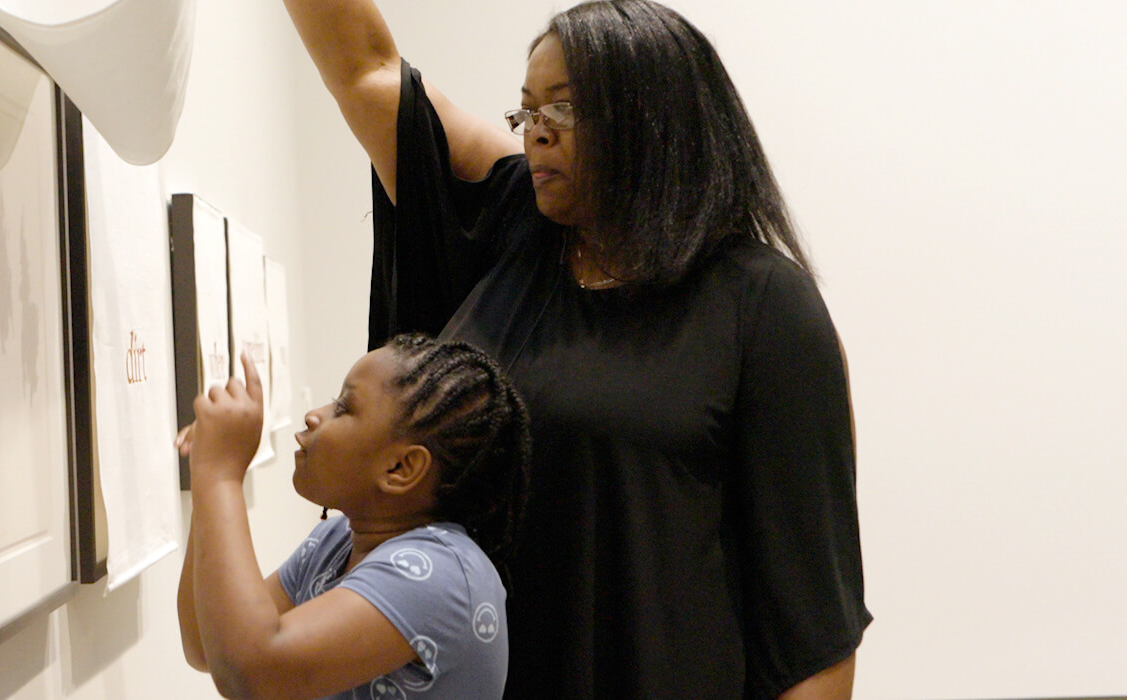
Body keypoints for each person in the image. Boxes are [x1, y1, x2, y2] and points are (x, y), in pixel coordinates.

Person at [280, 0, 871, 697]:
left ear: (656, 118)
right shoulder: (514, 225)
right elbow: (367, 70)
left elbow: (815, 630)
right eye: (526, 112)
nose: (536, 135)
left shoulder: (764, 306)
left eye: (562, 110)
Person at [176, 336, 532, 699]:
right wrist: (209, 482)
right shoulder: (336, 539)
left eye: (343, 407)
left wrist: (220, 476)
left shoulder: (441, 573)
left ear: (400, 468)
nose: (314, 415)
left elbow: (252, 673)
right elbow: (205, 647)